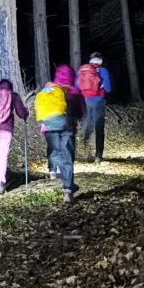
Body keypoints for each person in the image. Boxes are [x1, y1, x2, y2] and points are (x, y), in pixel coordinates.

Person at [36, 64, 85, 204]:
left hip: (49, 127)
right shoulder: (73, 92)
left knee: (55, 152)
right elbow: (81, 112)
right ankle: (68, 189)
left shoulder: (50, 90)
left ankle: (56, 169)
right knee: (67, 155)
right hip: (67, 127)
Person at [76, 52, 112, 163]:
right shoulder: (103, 71)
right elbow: (108, 88)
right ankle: (98, 156)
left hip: (87, 100)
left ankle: (85, 151)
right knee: (99, 127)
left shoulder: (82, 70)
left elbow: (77, 85)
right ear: (100, 61)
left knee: (88, 124)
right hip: (99, 101)